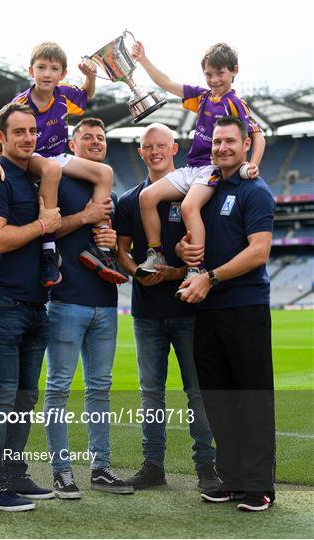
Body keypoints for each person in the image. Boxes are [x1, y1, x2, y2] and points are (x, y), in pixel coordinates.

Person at [177, 116, 276, 512]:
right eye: (216, 141)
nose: (221, 148)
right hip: (210, 308)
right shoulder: (207, 188)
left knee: (251, 398)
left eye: (229, 142)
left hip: (245, 306)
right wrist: (188, 254)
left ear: (245, 145)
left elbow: (258, 251)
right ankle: (232, 479)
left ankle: (258, 486)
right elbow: (197, 244)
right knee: (219, 399)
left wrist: (211, 278)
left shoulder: (255, 190)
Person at [116, 123, 219, 491]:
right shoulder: (130, 199)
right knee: (151, 393)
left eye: (161, 145)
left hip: (190, 310)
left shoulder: (196, 190)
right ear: (140, 151)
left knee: (197, 391)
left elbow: (208, 249)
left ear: (174, 147)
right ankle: (153, 465)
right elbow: (122, 251)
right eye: (148, 146)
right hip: (146, 312)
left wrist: (178, 270)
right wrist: (136, 273)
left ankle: (207, 466)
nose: (155, 151)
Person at [0, 102, 62, 511]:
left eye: (32, 131)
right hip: (0, 304)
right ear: (2, 139)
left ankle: (14, 473)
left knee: (25, 397)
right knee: (0, 398)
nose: (28, 138)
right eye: (19, 132)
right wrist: (43, 226)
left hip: (33, 306)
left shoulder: (34, 178)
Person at [0, 42, 126, 287]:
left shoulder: (63, 93)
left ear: (62, 74)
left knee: (105, 172)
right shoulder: (21, 104)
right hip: (32, 157)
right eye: (41, 67)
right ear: (31, 72)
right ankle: (49, 250)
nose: (47, 74)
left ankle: (101, 246)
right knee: (51, 169)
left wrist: (90, 77)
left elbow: (86, 95)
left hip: (58, 154)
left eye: (54, 69)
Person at [44, 117, 133, 498]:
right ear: (72, 143)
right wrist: (84, 217)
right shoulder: (57, 177)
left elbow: (114, 248)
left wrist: (111, 240)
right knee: (59, 388)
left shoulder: (110, 192)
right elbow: (45, 229)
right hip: (66, 300)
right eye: (88, 137)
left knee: (100, 389)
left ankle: (101, 467)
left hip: (104, 303)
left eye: (101, 138)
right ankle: (61, 471)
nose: (95, 142)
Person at [131, 42, 265, 290]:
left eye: (220, 73)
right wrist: (143, 60)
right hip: (191, 168)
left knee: (189, 206)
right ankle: (156, 253)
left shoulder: (235, 103)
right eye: (208, 74)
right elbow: (167, 83)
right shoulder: (202, 96)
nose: (214, 80)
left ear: (234, 70)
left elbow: (259, 135)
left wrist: (252, 164)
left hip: (210, 168)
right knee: (146, 196)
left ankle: (196, 267)